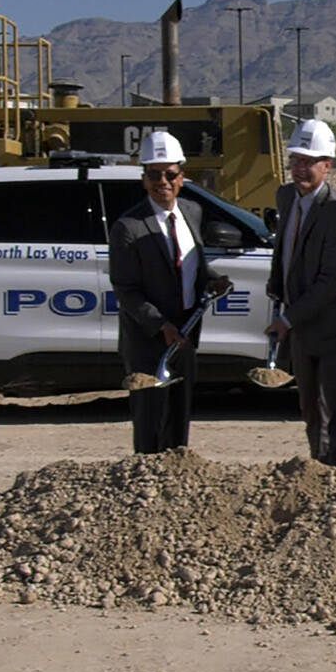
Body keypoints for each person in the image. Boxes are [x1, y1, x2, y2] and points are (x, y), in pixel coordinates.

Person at [110, 131, 231, 454]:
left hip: (186, 333)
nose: (161, 181)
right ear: (143, 178)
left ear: (182, 176)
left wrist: (214, 279)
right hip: (149, 340)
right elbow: (126, 289)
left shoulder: (192, 212)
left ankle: (175, 487)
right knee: (151, 421)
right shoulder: (129, 227)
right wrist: (160, 326)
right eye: (153, 174)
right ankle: (147, 487)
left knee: (179, 417)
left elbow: (193, 267)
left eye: (169, 174)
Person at [265, 119, 336, 468]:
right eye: (296, 160)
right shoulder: (286, 197)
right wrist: (276, 289)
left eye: (309, 162)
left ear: (328, 165)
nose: (301, 169)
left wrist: (287, 318)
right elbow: (284, 252)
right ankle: (318, 471)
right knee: (310, 410)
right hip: (303, 330)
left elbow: (332, 281)